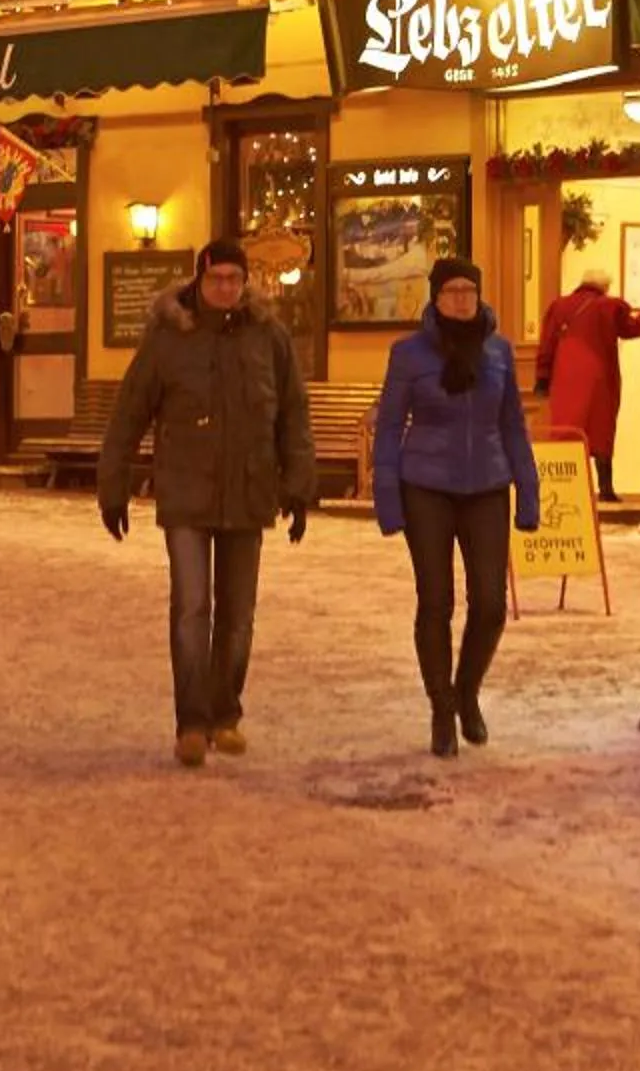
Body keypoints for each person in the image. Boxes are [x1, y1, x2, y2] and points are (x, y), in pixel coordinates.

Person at [95, 238, 318, 768]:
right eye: (216, 278)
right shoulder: (168, 339)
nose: (225, 288)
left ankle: (226, 715)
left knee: (238, 615)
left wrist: (298, 486)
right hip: (186, 492)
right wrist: (113, 485)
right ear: (199, 278)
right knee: (192, 609)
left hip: (249, 491)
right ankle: (192, 723)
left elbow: (293, 414)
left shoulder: (269, 337)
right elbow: (129, 413)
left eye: (234, 279)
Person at [373, 254, 540, 760]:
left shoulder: (498, 352)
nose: (462, 299)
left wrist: (528, 490)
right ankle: (441, 707)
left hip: (487, 483)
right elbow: (389, 427)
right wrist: (387, 499)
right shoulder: (409, 354)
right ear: (436, 297)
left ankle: (467, 690)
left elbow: (512, 424)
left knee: (490, 604)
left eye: (469, 290)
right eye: (452, 291)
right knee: (435, 601)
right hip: (425, 484)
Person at [535, 264, 640, 501]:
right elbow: (631, 329)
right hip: (599, 376)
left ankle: (567, 490)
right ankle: (606, 489)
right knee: (601, 428)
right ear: (604, 286)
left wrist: (542, 377)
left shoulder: (559, 306)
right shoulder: (609, 306)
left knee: (567, 429)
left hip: (565, 376)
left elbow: (547, 343)